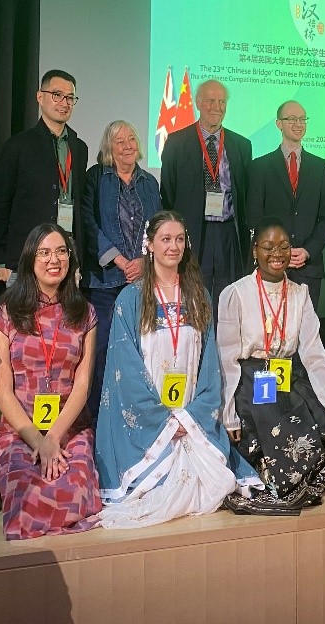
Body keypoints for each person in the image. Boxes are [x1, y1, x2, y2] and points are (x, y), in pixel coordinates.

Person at [95, 211, 269, 527]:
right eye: (165, 239)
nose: (173, 247)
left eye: (179, 239)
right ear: (149, 245)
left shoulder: (198, 296)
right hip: (150, 425)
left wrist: (188, 418)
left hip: (191, 420)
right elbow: (125, 373)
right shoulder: (130, 300)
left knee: (212, 482)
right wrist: (165, 421)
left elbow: (209, 367)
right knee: (167, 489)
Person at [218, 218, 325, 508]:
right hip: (250, 381)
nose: (277, 254)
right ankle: (277, 482)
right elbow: (226, 359)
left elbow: (313, 351)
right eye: (268, 247)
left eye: (284, 246)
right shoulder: (236, 293)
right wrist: (228, 414)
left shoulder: (300, 294)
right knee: (276, 427)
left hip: (287, 374)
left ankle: (297, 482)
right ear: (255, 250)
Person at [0, 224, 101, 539]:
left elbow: (82, 386)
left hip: (69, 427)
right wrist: (39, 442)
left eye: (61, 251)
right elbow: (2, 391)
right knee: (26, 500)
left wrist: (54, 437)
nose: (54, 260)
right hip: (21, 428)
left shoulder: (85, 313)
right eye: (44, 252)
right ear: (30, 259)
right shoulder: (6, 313)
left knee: (78, 496)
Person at [80, 120, 161, 422]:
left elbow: (158, 227)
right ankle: (99, 420)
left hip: (141, 280)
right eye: (119, 141)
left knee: (140, 352)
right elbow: (87, 222)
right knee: (100, 351)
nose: (127, 146)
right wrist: (118, 259)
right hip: (104, 282)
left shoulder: (149, 183)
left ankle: (136, 416)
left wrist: (144, 261)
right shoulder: (96, 177)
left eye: (132, 139)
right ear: (109, 148)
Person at [159, 79, 252, 307]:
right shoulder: (176, 142)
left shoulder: (242, 145)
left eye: (221, 102)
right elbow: (168, 193)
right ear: (198, 103)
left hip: (229, 234)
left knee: (228, 299)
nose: (216, 107)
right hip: (193, 232)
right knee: (192, 298)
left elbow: (245, 193)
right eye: (210, 101)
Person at [0, 69, 89, 287]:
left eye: (70, 97)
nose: (64, 103)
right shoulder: (18, 146)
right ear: (39, 97)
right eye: (57, 95)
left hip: (66, 256)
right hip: (25, 256)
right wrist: (2, 258)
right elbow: (0, 205)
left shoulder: (79, 147)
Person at [245, 101, 325, 311]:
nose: (298, 124)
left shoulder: (321, 167)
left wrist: (308, 251)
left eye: (302, 119)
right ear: (279, 124)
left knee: (306, 326)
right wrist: (278, 251)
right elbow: (254, 216)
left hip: (308, 265)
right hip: (272, 264)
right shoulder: (260, 167)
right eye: (292, 119)